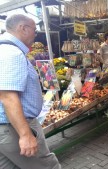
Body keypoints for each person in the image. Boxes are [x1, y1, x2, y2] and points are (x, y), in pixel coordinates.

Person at [0, 14, 61, 169]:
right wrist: (25, 134)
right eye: (34, 29)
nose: (35, 33)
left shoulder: (4, 50)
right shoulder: (12, 53)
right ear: (23, 28)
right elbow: (7, 96)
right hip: (12, 127)